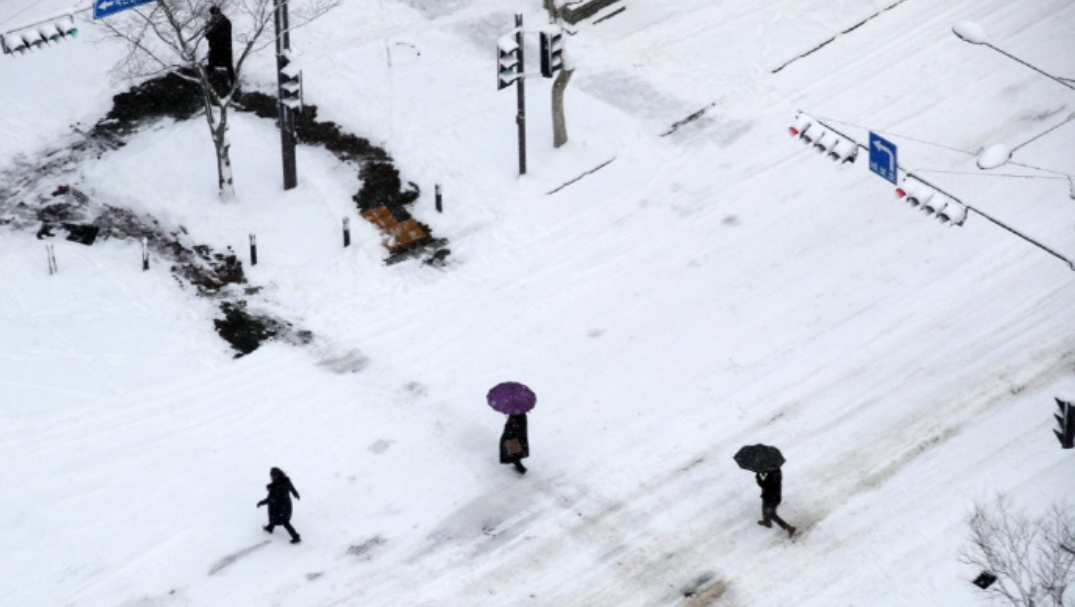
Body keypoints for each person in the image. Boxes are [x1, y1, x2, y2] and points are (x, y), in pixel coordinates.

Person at [257, 467, 302, 544]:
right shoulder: (284, 482)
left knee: (284, 521)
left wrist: (261, 502)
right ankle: (270, 527)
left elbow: (270, 499)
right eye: (272, 476)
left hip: (281, 506)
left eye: (274, 476)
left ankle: (295, 536)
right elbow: (291, 488)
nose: (272, 477)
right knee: (275, 517)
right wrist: (295, 493)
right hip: (284, 504)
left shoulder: (276, 488)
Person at [756, 468, 796, 537]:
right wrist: (763, 471)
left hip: (774, 498)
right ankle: (767, 521)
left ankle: (789, 528)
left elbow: (764, 485)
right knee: (765, 505)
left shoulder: (774, 475)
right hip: (769, 495)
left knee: (771, 513)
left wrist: (758, 477)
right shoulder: (775, 471)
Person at [205, 6, 234, 88]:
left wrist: (208, 28)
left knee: (214, 66)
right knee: (227, 66)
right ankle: (230, 84)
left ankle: (209, 84)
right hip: (223, 48)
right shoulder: (223, 21)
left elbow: (210, 35)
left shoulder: (220, 22)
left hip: (219, 48)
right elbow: (209, 35)